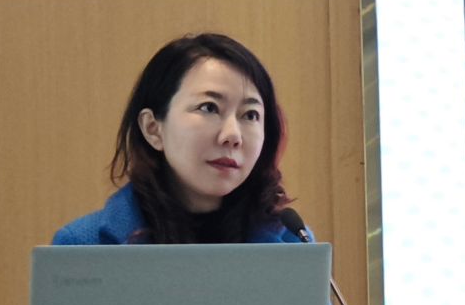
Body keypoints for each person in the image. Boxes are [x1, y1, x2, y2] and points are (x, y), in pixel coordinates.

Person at [53, 32, 302, 249]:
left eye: (250, 115)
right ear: (153, 129)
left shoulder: (292, 241)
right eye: (209, 107)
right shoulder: (83, 247)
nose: (232, 135)